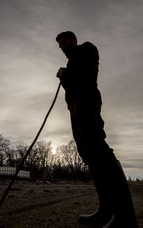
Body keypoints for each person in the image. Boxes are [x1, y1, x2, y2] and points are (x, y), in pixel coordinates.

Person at [55, 31, 138, 228]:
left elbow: (83, 77)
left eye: (64, 42)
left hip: (86, 104)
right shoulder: (72, 61)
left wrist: (64, 75)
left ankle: (125, 217)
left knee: (99, 151)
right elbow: (73, 84)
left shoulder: (87, 49)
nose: (62, 47)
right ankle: (106, 210)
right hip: (76, 109)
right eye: (59, 45)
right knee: (89, 155)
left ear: (74, 40)